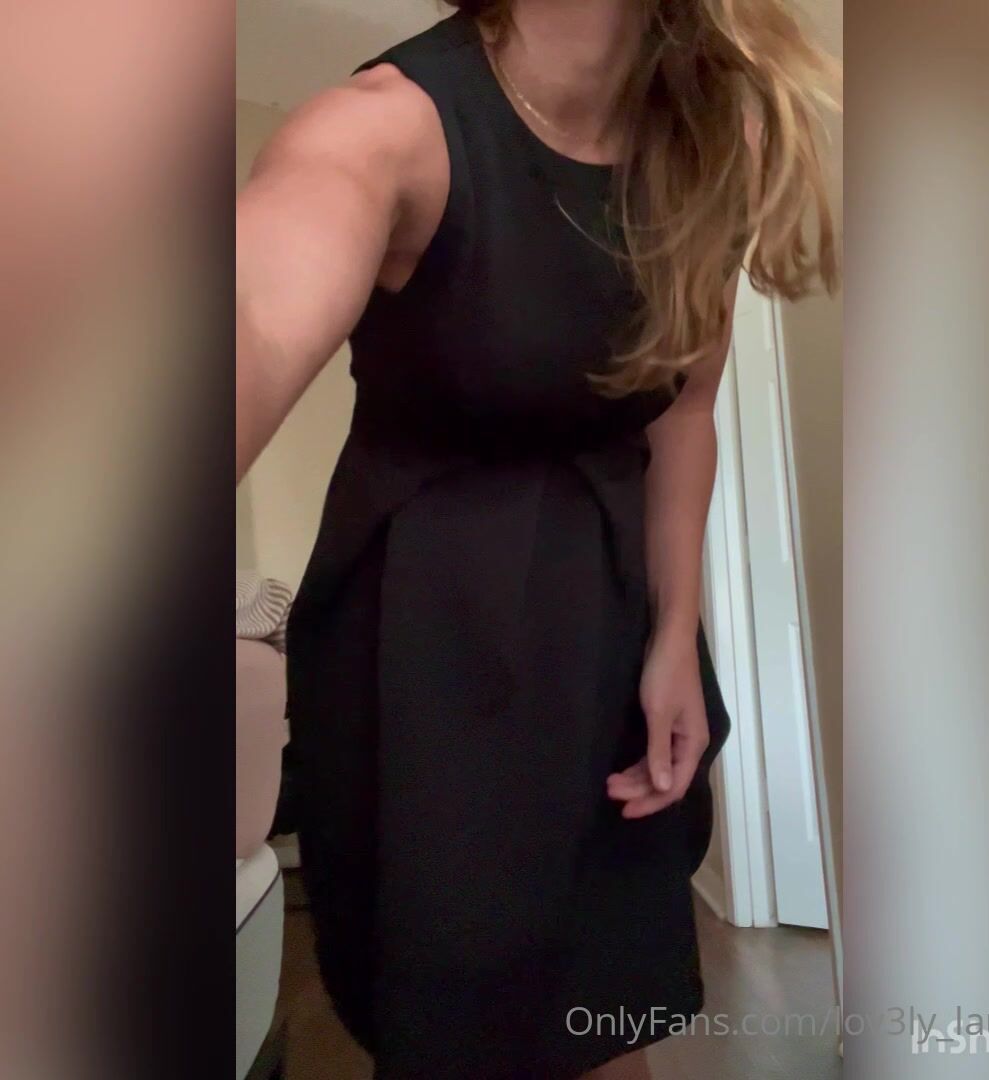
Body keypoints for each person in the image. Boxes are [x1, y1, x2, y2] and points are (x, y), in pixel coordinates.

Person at [236, 1, 838, 1076]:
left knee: (608, 1002)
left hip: (608, 616)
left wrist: (674, 637)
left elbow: (685, 408)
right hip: (424, 646)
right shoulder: (381, 131)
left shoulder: (712, 136)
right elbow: (249, 324)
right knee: (457, 1022)